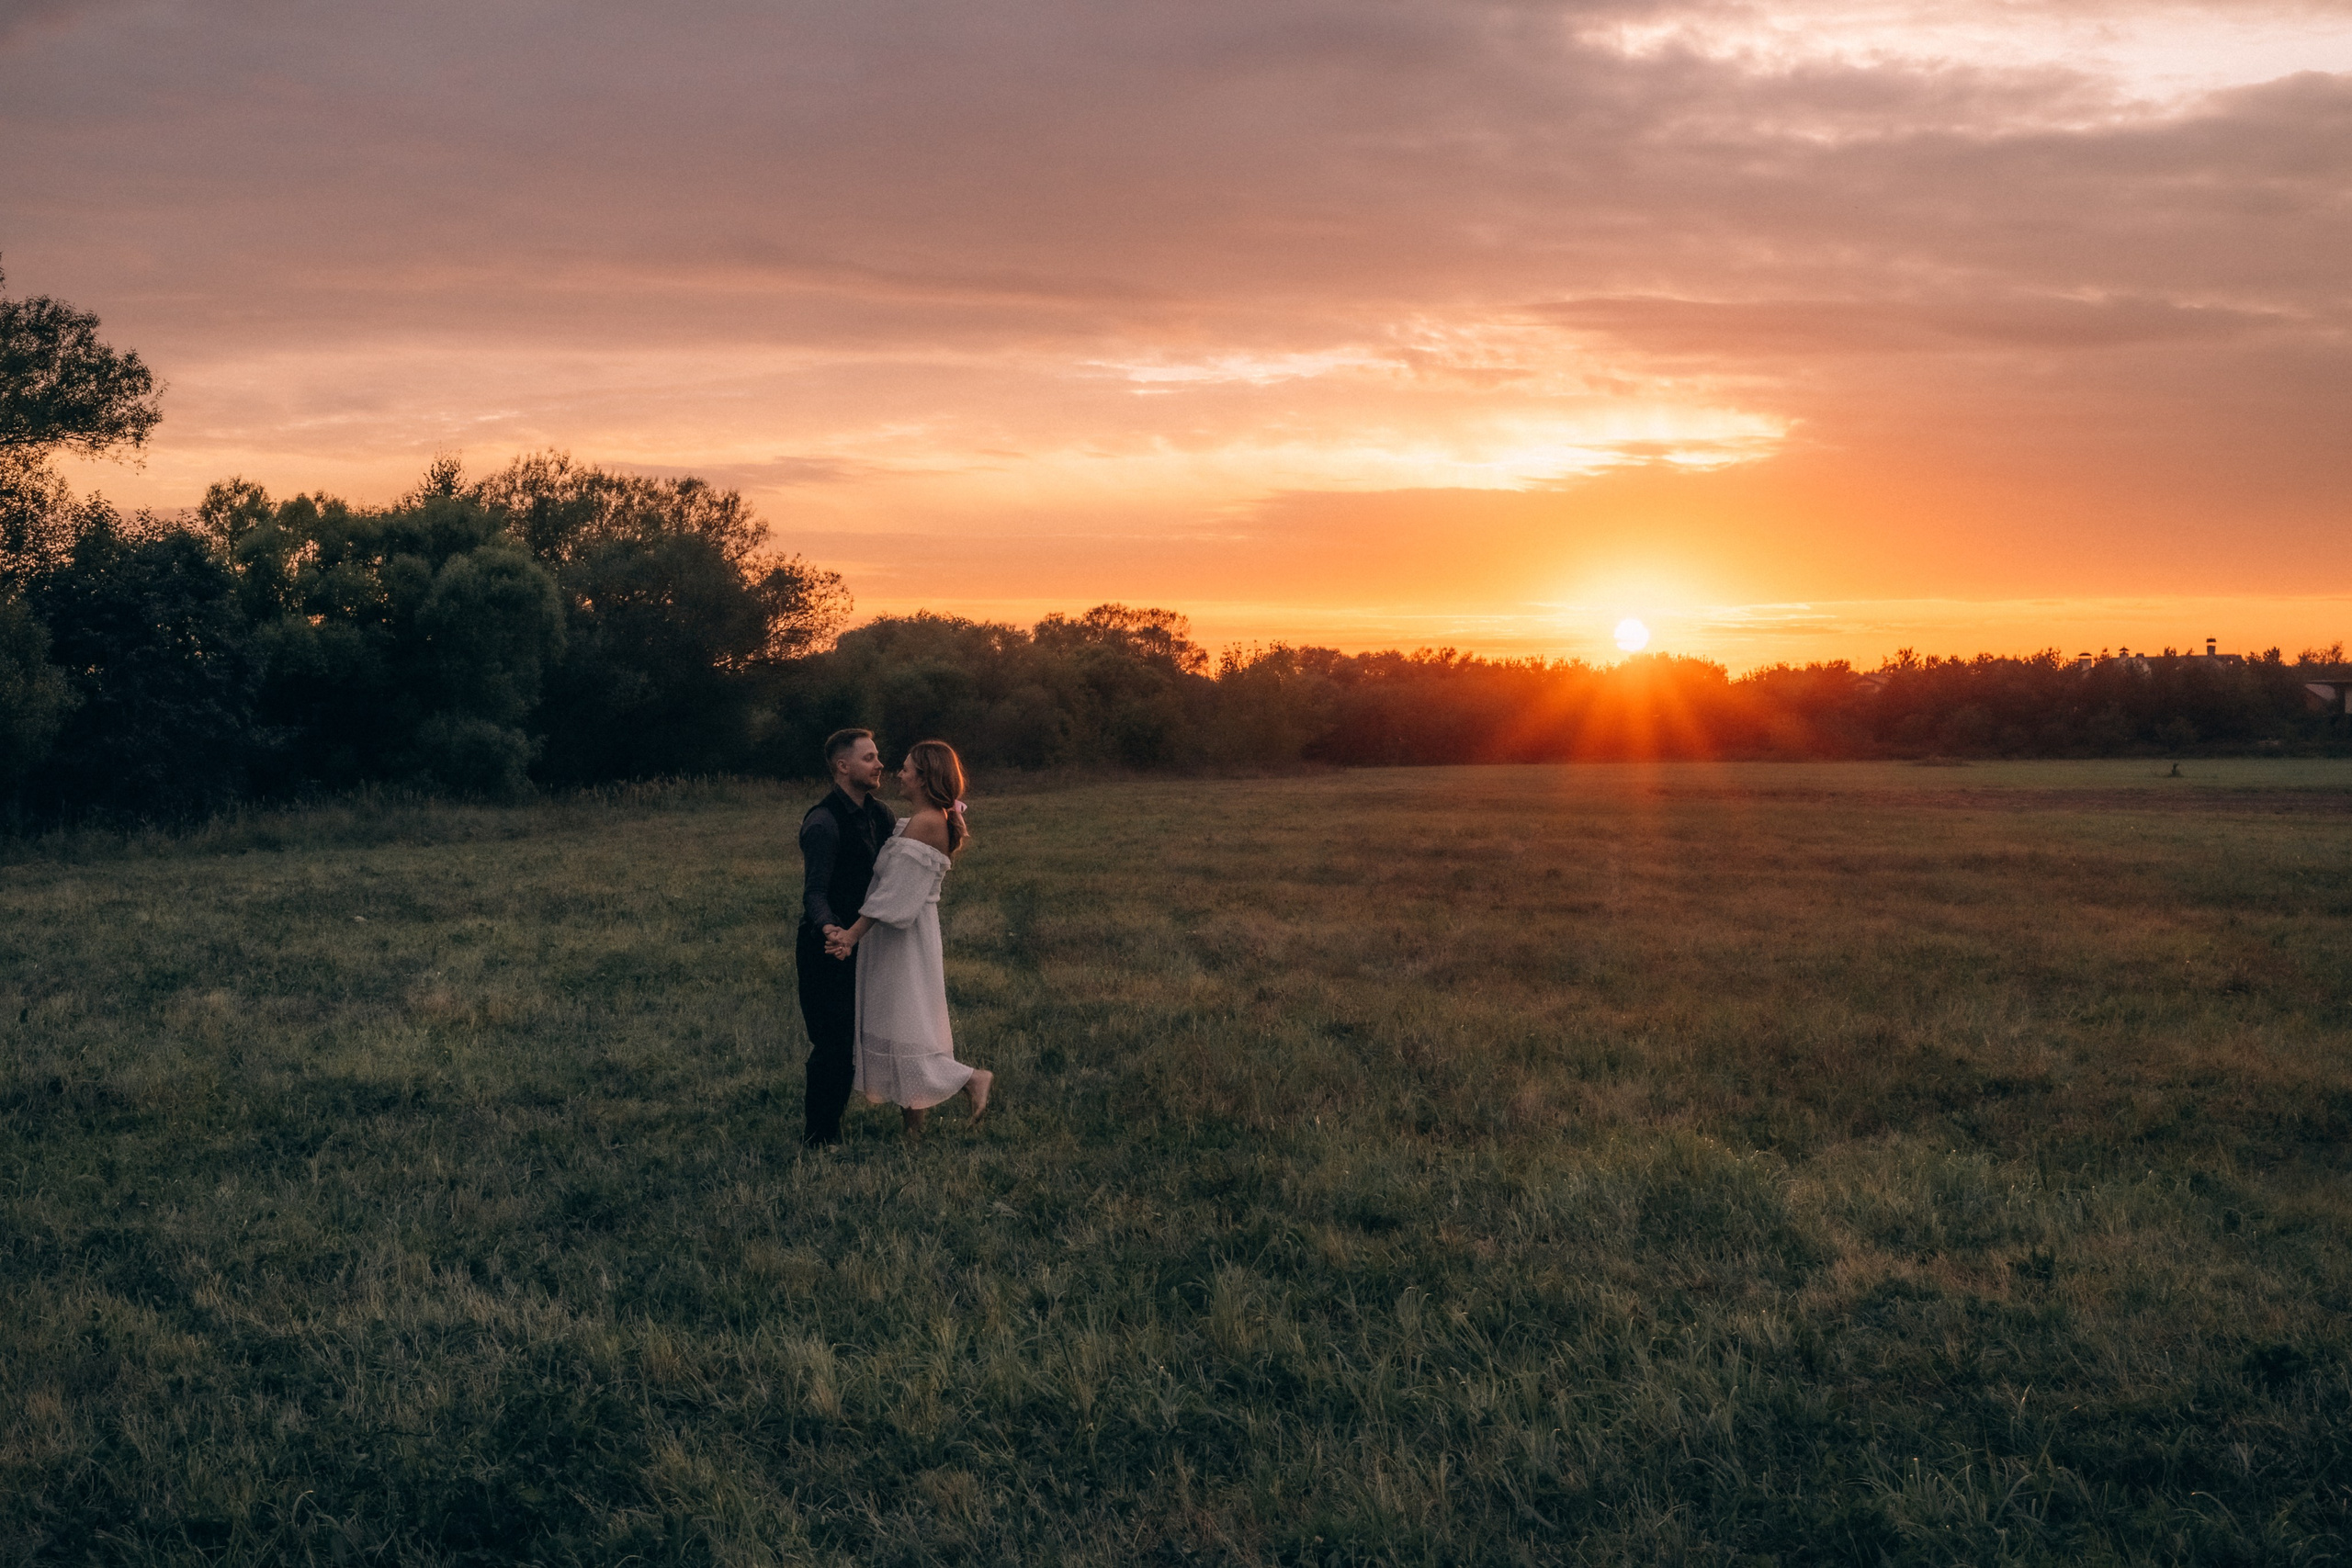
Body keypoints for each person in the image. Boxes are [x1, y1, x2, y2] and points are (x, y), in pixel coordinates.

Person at [825, 739, 993, 1138]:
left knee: (905, 1025)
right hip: (896, 935)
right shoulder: (917, 819)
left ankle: (971, 1079)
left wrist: (850, 935)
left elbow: (895, 893)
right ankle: (912, 1128)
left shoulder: (928, 822)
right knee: (899, 1025)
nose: (897, 773)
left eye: (906, 768)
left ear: (924, 777)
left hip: (904, 937)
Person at [796, 728, 897, 1146]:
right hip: (827, 946)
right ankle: (819, 1138)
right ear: (843, 766)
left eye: (877, 757)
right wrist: (831, 928)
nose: (879, 764)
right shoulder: (822, 821)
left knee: (859, 1040)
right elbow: (814, 892)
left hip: (866, 942)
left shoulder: (882, 815)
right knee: (833, 1043)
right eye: (869, 757)